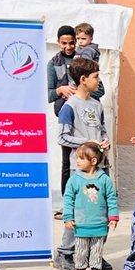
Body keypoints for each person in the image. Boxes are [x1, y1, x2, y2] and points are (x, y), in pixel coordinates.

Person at [56, 56, 110, 270]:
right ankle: (65, 252)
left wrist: (103, 143)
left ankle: (93, 254)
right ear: (83, 79)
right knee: (79, 211)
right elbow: (62, 137)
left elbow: (102, 130)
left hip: (100, 168)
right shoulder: (69, 107)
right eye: (96, 77)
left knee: (101, 210)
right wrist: (87, 143)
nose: (99, 81)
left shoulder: (97, 105)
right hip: (80, 170)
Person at [46, 25, 103, 196]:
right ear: (58, 42)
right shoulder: (53, 64)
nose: (68, 47)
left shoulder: (86, 60)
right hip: (68, 116)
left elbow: (100, 90)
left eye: (72, 42)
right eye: (64, 43)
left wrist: (80, 90)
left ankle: (93, 198)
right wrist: (60, 90)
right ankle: (68, 201)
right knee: (69, 163)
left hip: (88, 118)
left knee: (92, 161)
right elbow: (47, 94)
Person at [62, 141, 119, 270]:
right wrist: (68, 217)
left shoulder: (104, 180)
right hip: (81, 222)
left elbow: (111, 199)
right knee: (81, 247)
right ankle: (80, 267)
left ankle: (95, 268)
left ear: (93, 161)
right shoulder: (74, 180)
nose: (78, 162)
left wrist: (113, 217)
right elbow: (68, 199)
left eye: (81, 159)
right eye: (77, 158)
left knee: (97, 248)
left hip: (100, 222)